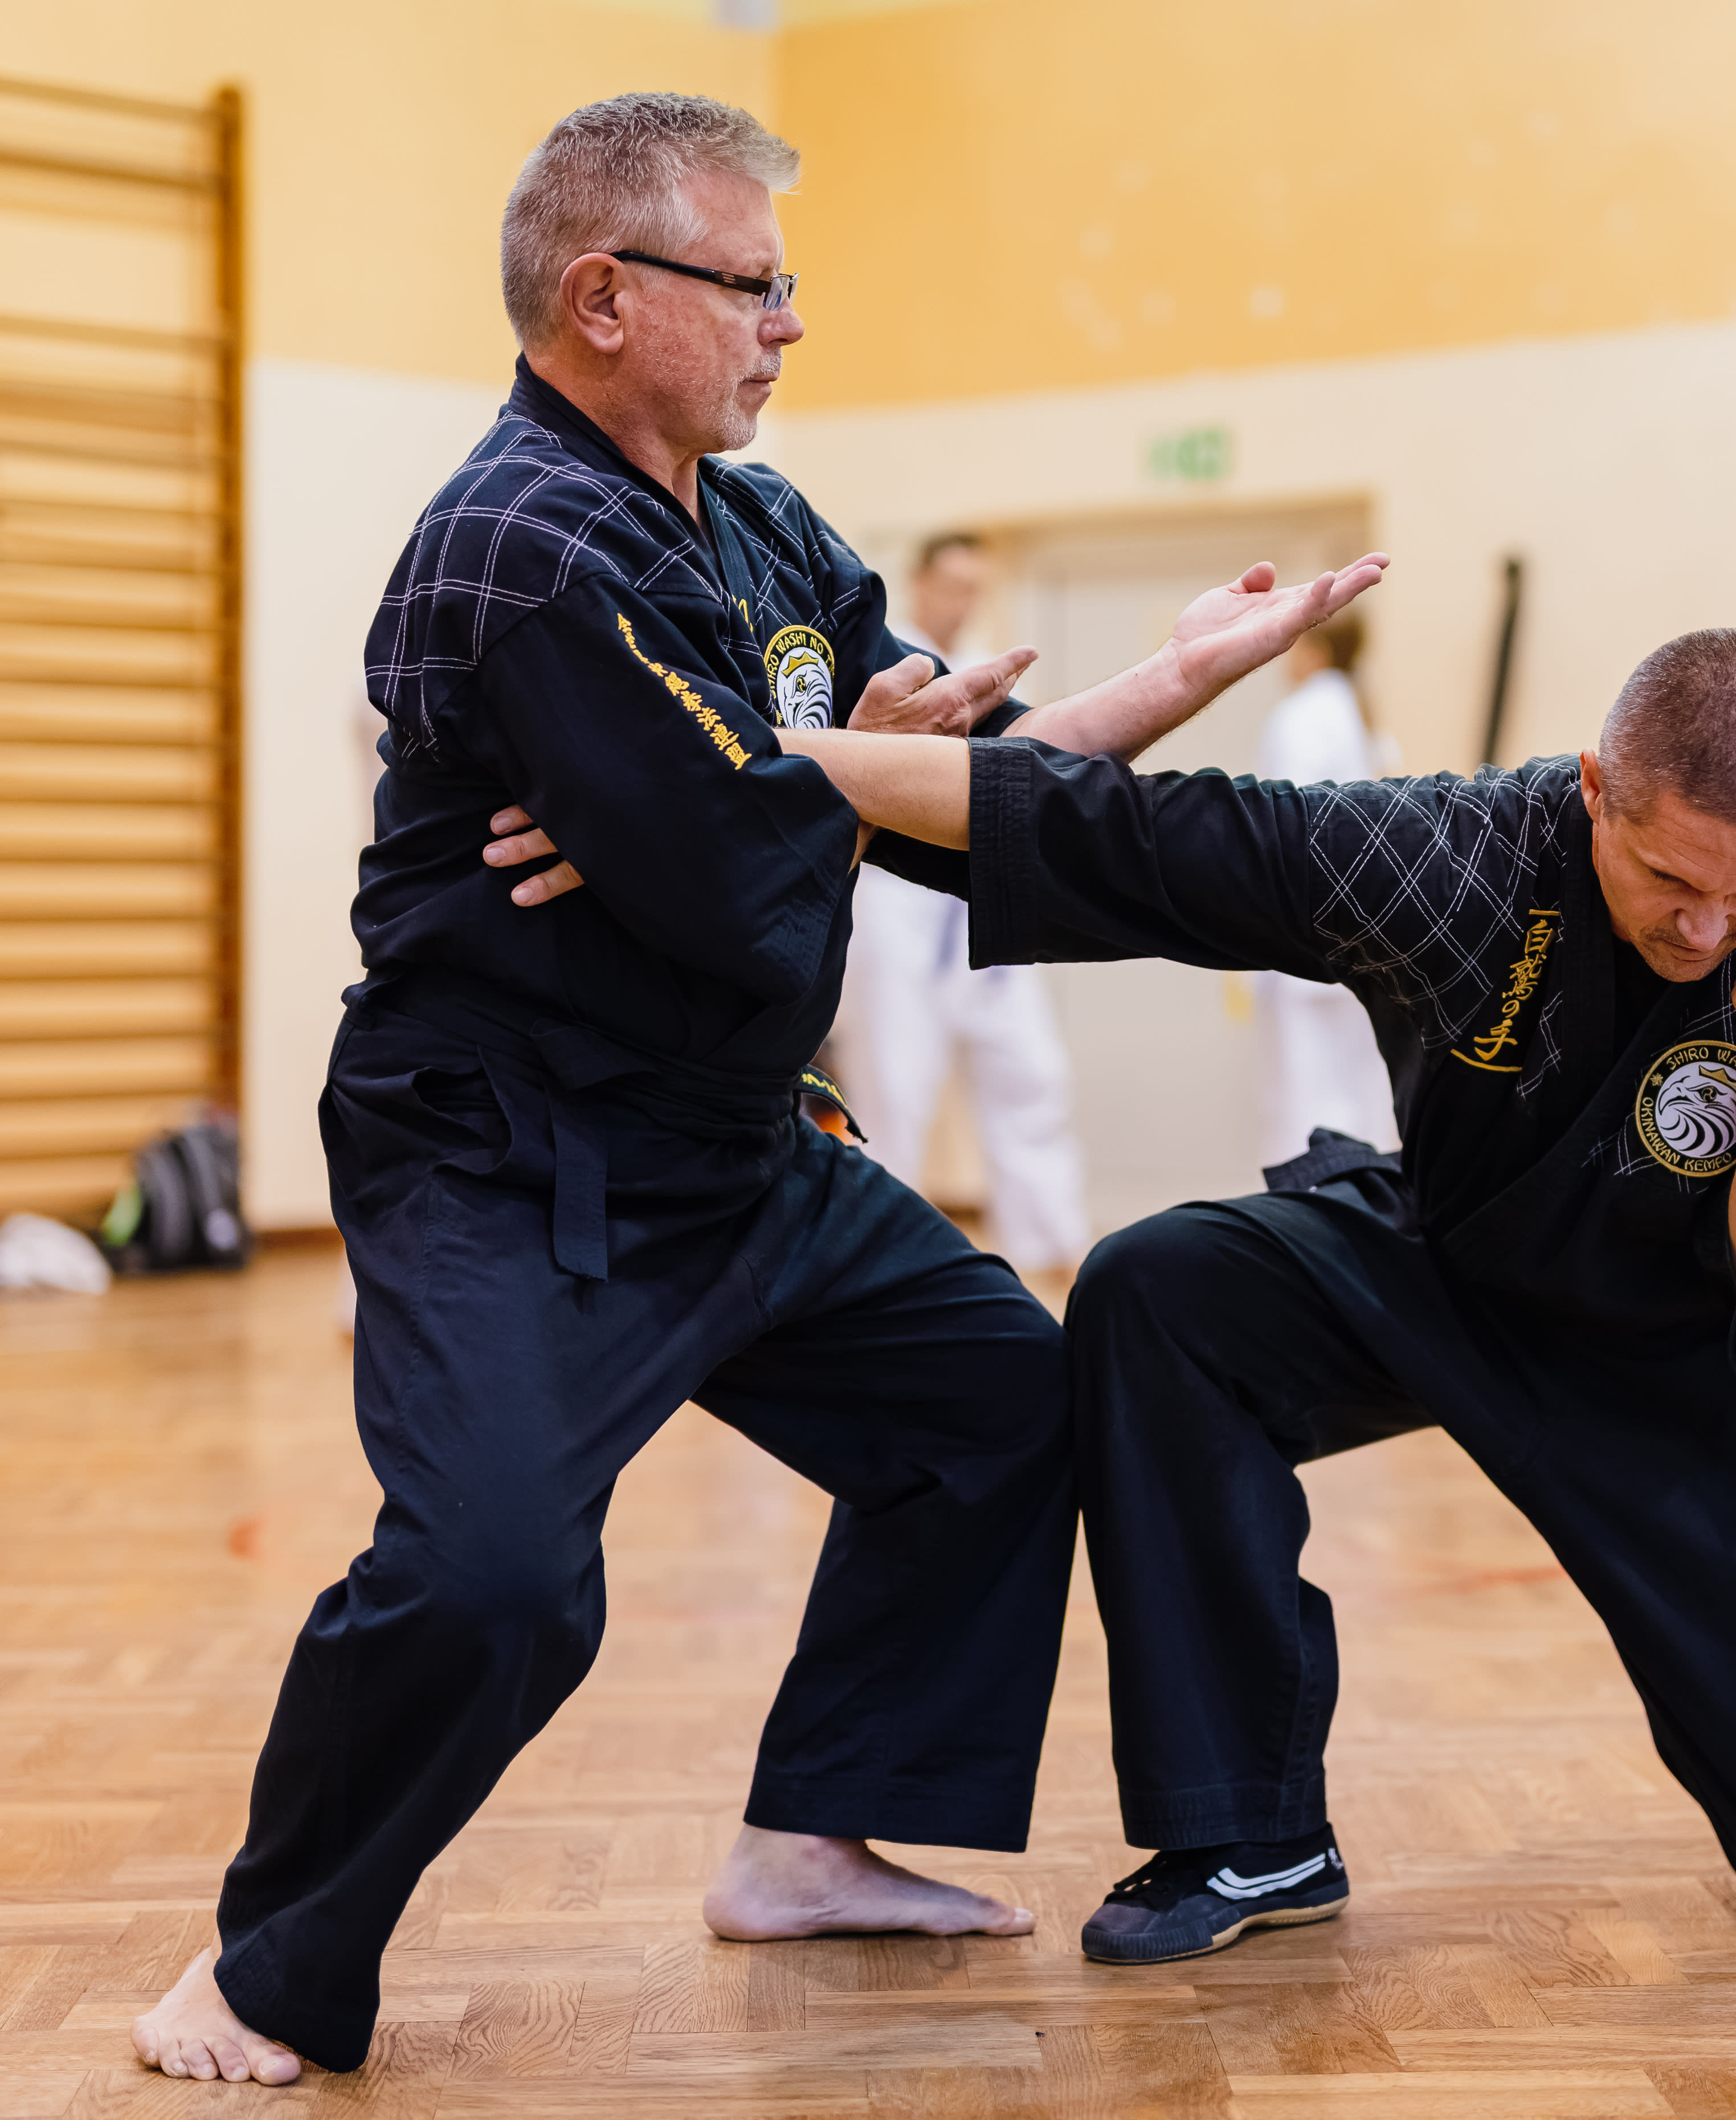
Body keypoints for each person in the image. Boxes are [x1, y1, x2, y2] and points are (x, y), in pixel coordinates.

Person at [129, 90, 1385, 2086]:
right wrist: (810, 787)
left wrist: (1168, 678)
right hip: (512, 1153)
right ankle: (264, 1966)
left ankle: (816, 1836)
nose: (789, 323)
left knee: (1002, 1401)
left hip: (737, 1143)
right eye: (753, 285)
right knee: (496, 1579)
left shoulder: (767, 524)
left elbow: (937, 795)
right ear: (604, 298)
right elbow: (738, 885)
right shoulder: (527, 546)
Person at [689, 626, 1736, 1962]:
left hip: (1697, 1366)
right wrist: (743, 763)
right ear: (1595, 790)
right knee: (1161, 1291)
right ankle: (1252, 1834)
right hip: (1451, 1263)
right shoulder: (1462, 857)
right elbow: (1127, 834)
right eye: (1668, 878)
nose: (1705, 927)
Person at [839, 532, 1089, 1281]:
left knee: (1032, 1076)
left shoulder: (985, 664)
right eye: (951, 585)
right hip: (900, 918)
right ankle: (877, 1269)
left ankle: (1052, 1250)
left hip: (986, 915)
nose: (962, 602)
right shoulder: (883, 663)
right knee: (895, 1095)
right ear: (919, 584)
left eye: (974, 588)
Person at [1252, 614, 1399, 1167]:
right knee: (1358, 1093)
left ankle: (1312, 1207)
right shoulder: (1362, 719)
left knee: (1306, 1099)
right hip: (1361, 933)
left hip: (1304, 929)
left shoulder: (1303, 717)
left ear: (1312, 649)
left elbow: (1288, 824)